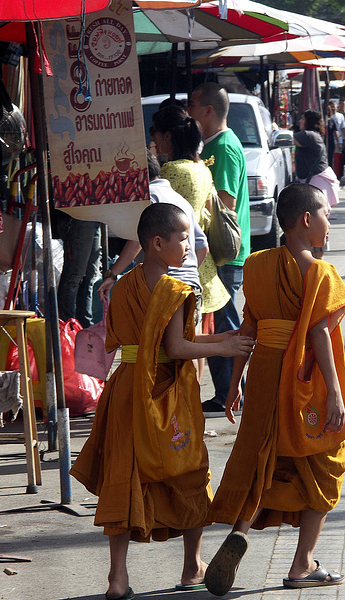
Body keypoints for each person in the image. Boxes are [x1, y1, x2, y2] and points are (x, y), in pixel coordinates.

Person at [70, 203, 255, 600]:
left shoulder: (123, 285)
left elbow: (141, 344)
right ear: (157, 243)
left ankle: (117, 580)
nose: (190, 245)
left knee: (125, 479)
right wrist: (226, 345)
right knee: (188, 472)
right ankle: (192, 568)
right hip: (165, 391)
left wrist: (227, 340)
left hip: (126, 389)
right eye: (184, 237)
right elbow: (176, 347)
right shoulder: (175, 289)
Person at [203, 183, 345, 597]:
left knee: (268, 455)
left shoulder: (257, 264)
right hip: (302, 379)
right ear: (306, 220)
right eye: (326, 215)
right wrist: (333, 391)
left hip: (262, 372)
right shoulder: (320, 272)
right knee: (326, 460)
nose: (330, 224)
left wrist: (235, 381)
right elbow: (319, 335)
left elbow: (249, 327)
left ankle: (241, 530)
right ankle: (302, 563)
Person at [150, 104, 230, 379]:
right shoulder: (202, 169)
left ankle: (188, 408)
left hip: (174, 264)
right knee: (193, 338)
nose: (153, 140)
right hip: (198, 264)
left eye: (154, 132)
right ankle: (193, 404)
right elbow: (206, 217)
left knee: (181, 345)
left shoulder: (169, 173)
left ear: (166, 136)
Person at [188, 82, 250, 417]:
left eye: (193, 103)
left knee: (226, 324)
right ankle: (229, 391)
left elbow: (225, 202)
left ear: (208, 110)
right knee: (219, 322)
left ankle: (232, 393)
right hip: (215, 255)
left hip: (224, 253)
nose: (189, 110)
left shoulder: (224, 147)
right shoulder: (212, 144)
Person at [98, 151, 207, 332]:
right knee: (187, 347)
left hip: (168, 289)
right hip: (192, 287)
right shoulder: (180, 200)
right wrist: (188, 274)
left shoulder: (149, 198)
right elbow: (203, 248)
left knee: (169, 349)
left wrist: (112, 274)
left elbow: (136, 241)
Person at [294, 108, 340, 259]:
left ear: (308, 121)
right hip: (315, 185)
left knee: (316, 223)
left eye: (302, 119)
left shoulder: (308, 135)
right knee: (315, 223)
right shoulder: (314, 136)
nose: (300, 121)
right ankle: (315, 262)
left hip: (315, 186)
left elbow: (289, 139)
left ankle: (317, 264)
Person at [56, 215, 101, 328]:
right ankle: (67, 326)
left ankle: (82, 325)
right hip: (80, 214)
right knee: (75, 276)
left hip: (92, 215)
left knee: (88, 277)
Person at [328, 101, 345, 179]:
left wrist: (344, 139)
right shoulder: (328, 118)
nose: (332, 108)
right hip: (330, 140)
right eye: (331, 106)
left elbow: (343, 128)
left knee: (337, 158)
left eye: (334, 106)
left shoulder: (340, 116)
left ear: (336, 107)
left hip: (339, 140)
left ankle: (338, 174)